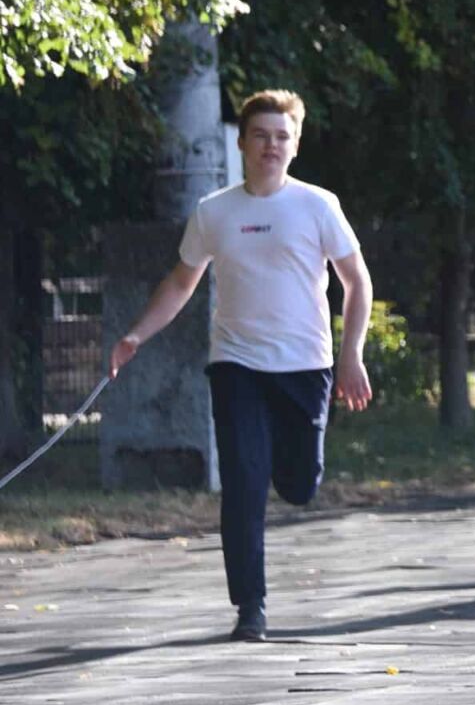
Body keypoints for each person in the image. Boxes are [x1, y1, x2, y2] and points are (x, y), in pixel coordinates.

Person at [108, 89, 373, 642]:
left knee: (299, 486)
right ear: (243, 142)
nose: (270, 145)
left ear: (294, 145)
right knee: (244, 484)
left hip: (305, 367)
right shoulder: (214, 212)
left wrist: (351, 355)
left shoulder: (317, 206)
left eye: (281, 136)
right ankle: (250, 607)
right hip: (236, 366)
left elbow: (357, 282)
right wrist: (136, 334)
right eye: (261, 135)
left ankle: (279, 455)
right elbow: (182, 282)